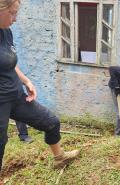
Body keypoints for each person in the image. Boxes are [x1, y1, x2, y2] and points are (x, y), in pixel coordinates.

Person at [0, 0, 79, 171]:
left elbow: (10, 63)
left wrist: (26, 81)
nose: (15, 18)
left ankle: (59, 158)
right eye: (12, 13)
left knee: (51, 122)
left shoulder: (6, 32)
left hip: (16, 97)